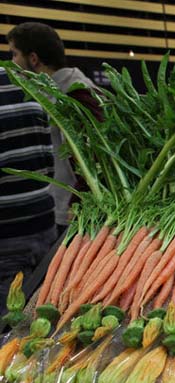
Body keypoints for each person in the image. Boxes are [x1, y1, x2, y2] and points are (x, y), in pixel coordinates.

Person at [7, 22, 102, 227]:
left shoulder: (76, 95)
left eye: (14, 54)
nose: (12, 63)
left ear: (33, 59)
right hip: (66, 208)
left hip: (76, 213)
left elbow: (93, 158)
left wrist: (78, 203)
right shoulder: (54, 93)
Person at [0, 66, 55, 317]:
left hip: (7, 231)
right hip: (43, 219)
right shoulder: (22, 81)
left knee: (11, 321)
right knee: (43, 306)